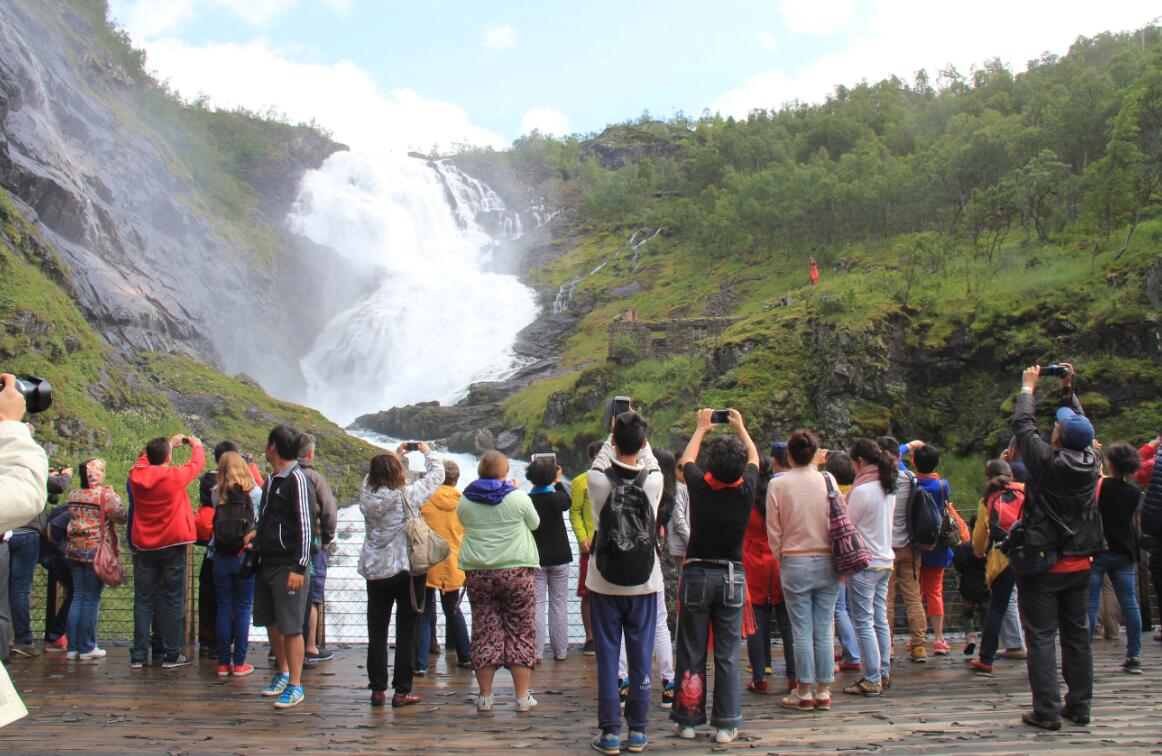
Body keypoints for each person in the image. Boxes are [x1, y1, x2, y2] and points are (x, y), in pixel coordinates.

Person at [1010, 363, 1104, 730]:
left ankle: (1046, 711)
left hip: (1044, 561)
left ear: (1059, 438)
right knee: (1078, 636)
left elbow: (1023, 427)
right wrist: (1068, 390)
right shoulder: (1092, 460)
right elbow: (1083, 427)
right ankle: (1080, 705)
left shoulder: (1046, 463)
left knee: (1042, 637)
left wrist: (1027, 389)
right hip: (1080, 562)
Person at [670, 408, 758, 745]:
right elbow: (754, 459)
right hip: (733, 575)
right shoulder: (746, 489)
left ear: (710, 465)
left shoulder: (699, 487)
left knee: (691, 649)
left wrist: (701, 427)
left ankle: (688, 720)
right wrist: (741, 426)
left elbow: (687, 460)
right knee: (727, 653)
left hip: (696, 572)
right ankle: (726, 724)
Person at [587, 411, 663, 755]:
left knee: (607, 657)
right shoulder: (655, 481)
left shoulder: (596, 481)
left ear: (613, 440)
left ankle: (610, 733)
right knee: (640, 656)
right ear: (644, 442)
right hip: (644, 583)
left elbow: (604, 458)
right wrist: (634, 435)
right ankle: (638, 731)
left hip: (604, 583)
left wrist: (612, 433)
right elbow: (648, 457)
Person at [358, 441, 444, 707]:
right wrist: (427, 452)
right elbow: (437, 476)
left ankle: (377, 689)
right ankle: (402, 691)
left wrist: (393, 454)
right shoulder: (407, 494)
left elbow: (370, 477)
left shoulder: (366, 495)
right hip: (407, 570)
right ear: (398, 473)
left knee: (377, 631)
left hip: (376, 571)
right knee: (407, 630)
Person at [458, 450, 540, 714]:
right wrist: (514, 491)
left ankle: (484, 697)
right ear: (505, 472)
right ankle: (522, 696)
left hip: (480, 573)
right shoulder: (517, 497)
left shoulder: (465, 501)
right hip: (516, 572)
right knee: (520, 629)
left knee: (484, 629)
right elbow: (535, 523)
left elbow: (462, 522)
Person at [767, 430, 842, 713]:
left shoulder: (778, 485)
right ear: (815, 453)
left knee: (801, 629)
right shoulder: (828, 479)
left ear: (788, 455)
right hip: (828, 560)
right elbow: (840, 516)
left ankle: (804, 691)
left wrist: (781, 558)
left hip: (794, 561)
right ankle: (824, 691)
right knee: (824, 628)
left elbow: (773, 530)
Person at [128, 433, 206, 669]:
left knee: (143, 599)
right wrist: (197, 445)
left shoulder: (137, 475)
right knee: (172, 598)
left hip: (144, 544)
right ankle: (172, 653)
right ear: (169, 457)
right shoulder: (173, 476)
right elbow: (197, 464)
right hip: (172, 543)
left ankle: (139, 655)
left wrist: (166, 445)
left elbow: (141, 463)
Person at [253, 425, 316, 710]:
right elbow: (268, 519)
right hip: (266, 562)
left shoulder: (297, 480)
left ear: (273, 447)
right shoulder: (271, 480)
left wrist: (299, 566)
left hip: (288, 564)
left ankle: (296, 684)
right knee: (272, 622)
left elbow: (306, 525)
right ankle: (283, 672)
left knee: (291, 627)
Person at [841, 439, 897, 696]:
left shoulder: (862, 491)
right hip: (885, 560)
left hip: (865, 564)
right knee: (880, 619)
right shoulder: (888, 487)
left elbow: (846, 524)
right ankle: (883, 672)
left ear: (860, 462)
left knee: (863, 622)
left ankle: (872, 677)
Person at [1087, 443, 1144, 674]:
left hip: (1099, 550)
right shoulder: (1135, 493)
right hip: (1124, 551)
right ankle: (1134, 654)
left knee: (1090, 603)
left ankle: (1084, 654)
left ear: (1109, 463)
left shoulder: (1100, 485)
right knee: (1130, 603)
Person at [62, 458, 126, 660]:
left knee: (78, 596)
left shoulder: (73, 494)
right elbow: (122, 516)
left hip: (73, 550)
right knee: (91, 599)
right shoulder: (106, 496)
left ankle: (72, 647)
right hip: (96, 552)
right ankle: (87, 646)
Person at [745, 443, 795, 694]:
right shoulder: (782, 494)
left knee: (757, 623)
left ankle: (760, 678)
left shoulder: (748, 498)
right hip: (780, 562)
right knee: (787, 624)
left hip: (754, 564)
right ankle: (794, 678)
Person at [969, 460, 1026, 676]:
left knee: (997, 606)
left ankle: (986, 659)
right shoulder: (1024, 490)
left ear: (987, 478)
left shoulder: (988, 499)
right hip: (1033, 553)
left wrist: (979, 551)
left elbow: (980, 537)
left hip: (1005, 557)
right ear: (1010, 474)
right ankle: (1040, 658)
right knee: (1036, 605)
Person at [210, 451, 262, 677]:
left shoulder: (216, 493)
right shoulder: (254, 492)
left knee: (223, 609)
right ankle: (239, 662)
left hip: (220, 556)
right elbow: (260, 520)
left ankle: (223, 663)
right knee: (242, 610)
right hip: (244, 555)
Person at [417, 460, 471, 672]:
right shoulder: (463, 504)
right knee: (454, 610)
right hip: (453, 563)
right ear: (456, 479)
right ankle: (465, 655)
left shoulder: (424, 500)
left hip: (427, 562)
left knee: (423, 613)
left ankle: (420, 663)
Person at [880, 437, 929, 664]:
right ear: (899, 458)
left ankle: (888, 646)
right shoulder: (910, 478)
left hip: (886, 547)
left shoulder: (879, 482)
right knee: (912, 595)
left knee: (886, 599)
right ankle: (919, 646)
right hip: (909, 545)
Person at [904, 441, 953, 656]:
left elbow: (894, 457)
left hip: (915, 543)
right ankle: (940, 639)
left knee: (916, 592)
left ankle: (918, 637)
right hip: (938, 543)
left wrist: (908, 446)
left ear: (914, 461)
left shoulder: (912, 482)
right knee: (935, 591)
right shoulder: (943, 485)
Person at [527, 457, 573, 663]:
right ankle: (561, 651)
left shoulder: (527, 501)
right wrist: (559, 480)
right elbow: (567, 500)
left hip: (536, 558)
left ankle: (536, 652)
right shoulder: (557, 498)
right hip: (560, 556)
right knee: (559, 605)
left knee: (536, 605)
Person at [297, 433, 337, 667]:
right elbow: (329, 511)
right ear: (310, 453)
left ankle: (280, 648)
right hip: (313, 543)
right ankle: (310, 647)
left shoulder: (281, 475)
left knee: (288, 594)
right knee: (313, 596)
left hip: (286, 546)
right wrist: (328, 537)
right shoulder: (315, 478)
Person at [825, 451, 860, 672]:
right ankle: (850, 651)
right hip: (856, 553)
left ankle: (851, 654)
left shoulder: (831, 493)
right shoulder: (856, 491)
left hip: (837, 554)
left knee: (838, 608)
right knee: (845, 607)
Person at [570, 441, 603, 656]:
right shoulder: (580, 481)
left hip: (613, 544)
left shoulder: (617, 477)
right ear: (592, 457)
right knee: (587, 594)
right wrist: (582, 538)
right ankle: (590, 637)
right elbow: (575, 512)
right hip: (590, 544)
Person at [954, 517, 988, 656]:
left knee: (967, 615)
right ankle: (987, 642)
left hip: (968, 588)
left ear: (970, 528)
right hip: (986, 588)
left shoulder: (964, 548)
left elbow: (958, 565)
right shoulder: (989, 548)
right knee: (985, 615)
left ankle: (970, 637)